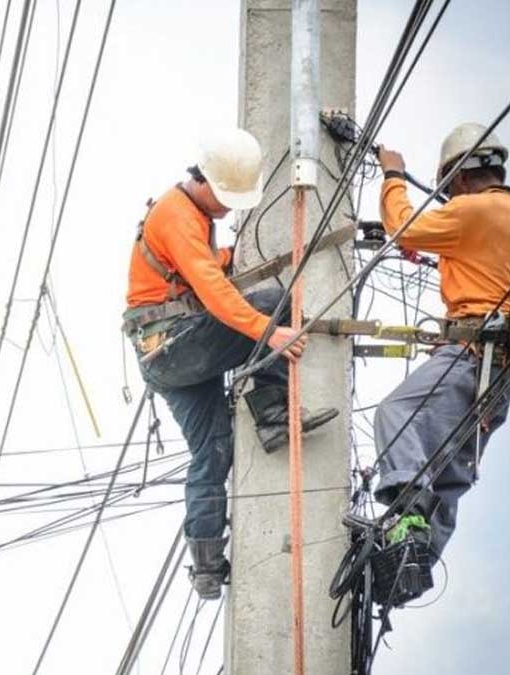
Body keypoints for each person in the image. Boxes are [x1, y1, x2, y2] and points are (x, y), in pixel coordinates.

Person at [123, 128, 338, 599]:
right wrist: (268, 329)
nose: (227, 206)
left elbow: (199, 267)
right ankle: (272, 412)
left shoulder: (190, 217)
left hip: (164, 357)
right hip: (176, 345)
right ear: (201, 180)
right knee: (273, 300)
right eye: (223, 196)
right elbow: (215, 293)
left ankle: (205, 565)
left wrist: (225, 257)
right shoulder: (178, 215)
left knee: (213, 452)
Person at [372, 123, 510, 580]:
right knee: (451, 464)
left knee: (397, 415)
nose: (449, 198)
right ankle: (415, 567)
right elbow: (480, 263)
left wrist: (393, 175)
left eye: (449, 189)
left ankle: (407, 515)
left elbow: (402, 228)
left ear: (461, 177)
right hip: (505, 367)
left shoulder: (473, 210)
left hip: (472, 350)